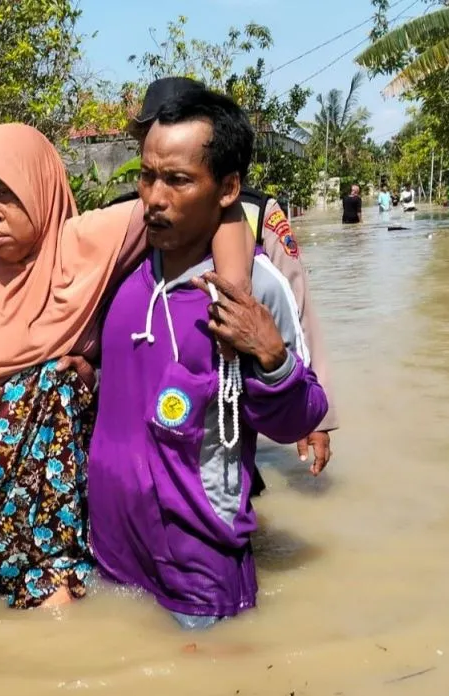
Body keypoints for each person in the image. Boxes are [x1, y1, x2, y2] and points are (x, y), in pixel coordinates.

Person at [0, 124, 255, 610]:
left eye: (5, 194)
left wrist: (232, 295)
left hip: (57, 527)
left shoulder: (86, 246)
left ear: (39, 187)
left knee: (57, 618)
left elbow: (216, 210)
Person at [87, 87, 328, 630]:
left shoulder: (254, 289)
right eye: (147, 176)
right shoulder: (122, 267)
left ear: (228, 189)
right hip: (112, 552)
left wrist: (271, 357)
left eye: (177, 180)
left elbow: (304, 413)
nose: (154, 197)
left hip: (200, 568)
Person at [114, 76, 337, 478]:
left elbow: (296, 307)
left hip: (223, 429)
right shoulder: (129, 222)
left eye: (178, 176)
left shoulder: (254, 211)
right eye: (148, 142)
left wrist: (317, 419)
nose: (156, 192)